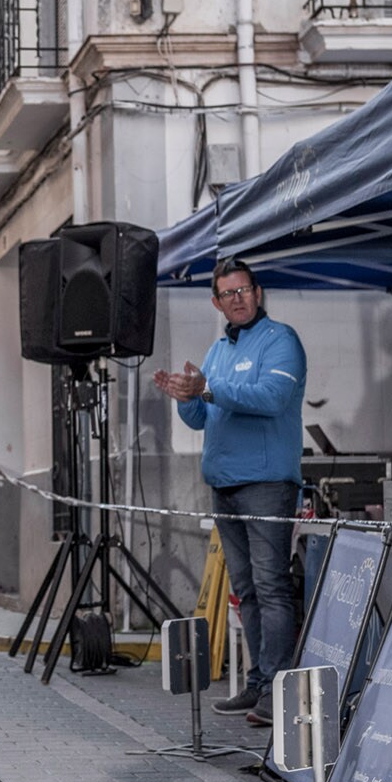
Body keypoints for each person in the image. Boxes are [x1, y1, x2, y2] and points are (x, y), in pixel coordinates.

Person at [151, 258, 307, 728]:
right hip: (225, 486)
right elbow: (203, 418)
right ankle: (258, 682)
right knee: (247, 593)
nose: (237, 299)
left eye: (244, 290)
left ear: (257, 293)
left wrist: (210, 388)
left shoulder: (282, 341)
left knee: (272, 588)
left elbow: (271, 398)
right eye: (228, 293)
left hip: (266, 485)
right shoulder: (218, 349)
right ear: (216, 301)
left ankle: (279, 689)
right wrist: (186, 398)